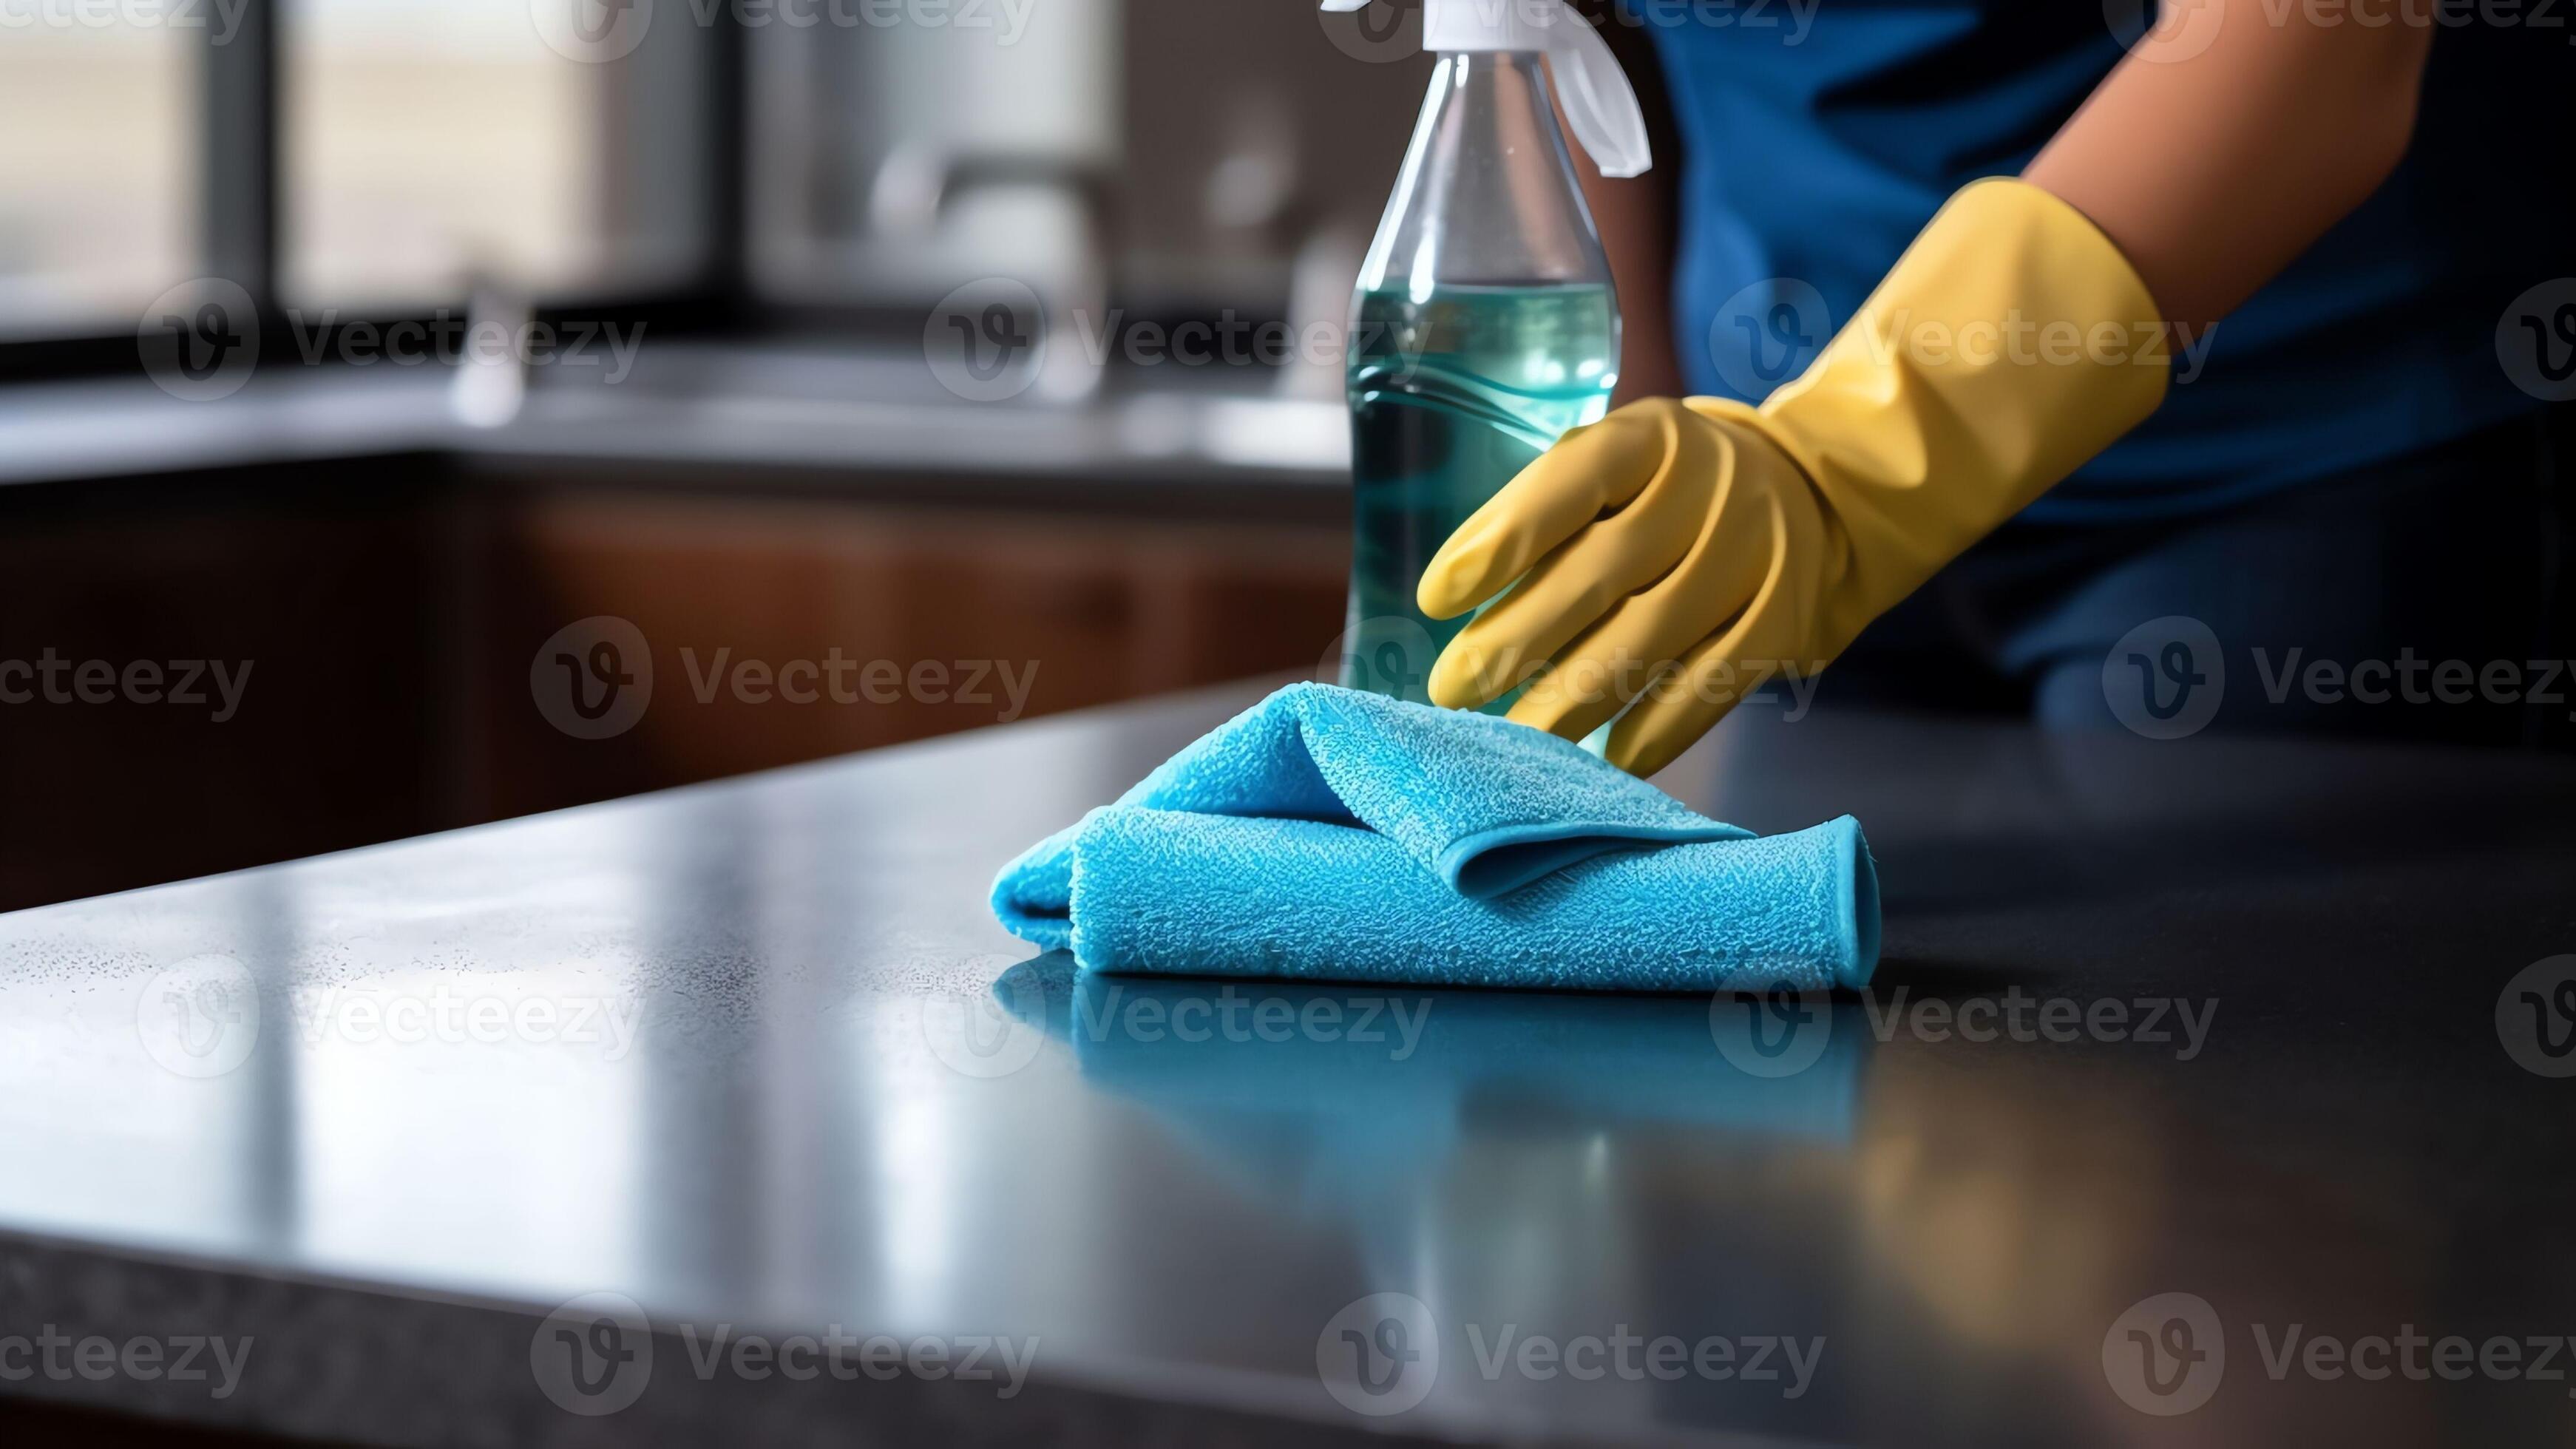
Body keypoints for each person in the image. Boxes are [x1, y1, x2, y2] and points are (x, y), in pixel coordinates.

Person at [1414, 0, 2576, 774]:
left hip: (2276, 453)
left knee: (2219, 1088)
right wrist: (1638, 460)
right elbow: (1560, 35)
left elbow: (2317, 39)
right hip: (1765, 488)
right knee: (1806, 1075)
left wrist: (1854, 465)